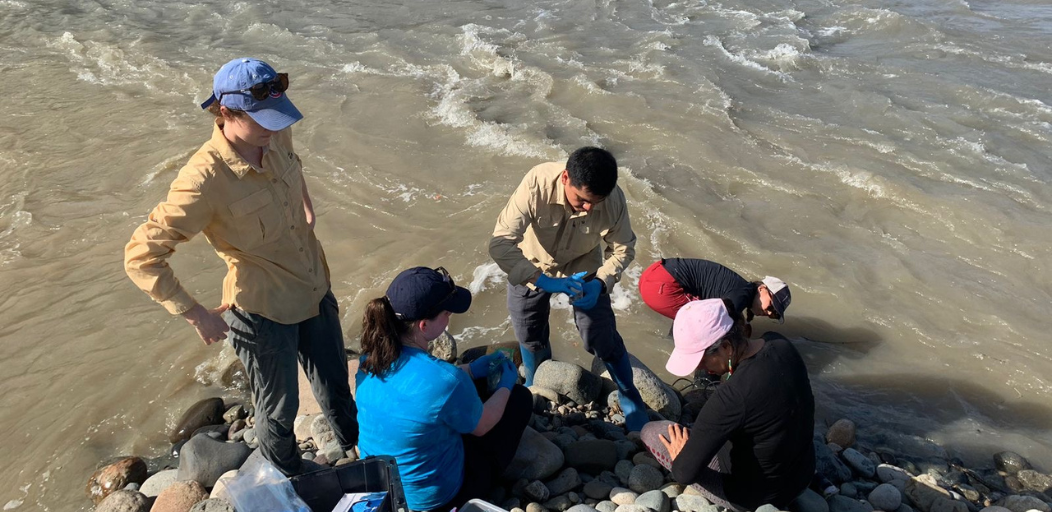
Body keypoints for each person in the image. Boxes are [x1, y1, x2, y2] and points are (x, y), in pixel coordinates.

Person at [124, 58, 357, 475]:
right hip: (263, 312)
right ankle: (286, 478)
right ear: (226, 112)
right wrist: (194, 313)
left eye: (278, 115)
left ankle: (357, 450)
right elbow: (142, 256)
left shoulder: (275, 130)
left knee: (336, 385)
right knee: (279, 411)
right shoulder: (202, 181)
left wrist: (306, 207)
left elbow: (293, 164)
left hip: (314, 285)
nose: (275, 128)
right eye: (263, 120)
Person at [489, 146, 648, 431]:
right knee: (528, 330)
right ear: (565, 178)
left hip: (583, 265)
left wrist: (600, 282)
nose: (589, 208)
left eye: (595, 203)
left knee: (600, 334)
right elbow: (500, 243)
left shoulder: (612, 200)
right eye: (583, 200)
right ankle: (538, 383)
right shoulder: (537, 182)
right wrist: (542, 280)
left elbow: (623, 249)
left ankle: (629, 393)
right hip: (532, 263)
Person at [354, 267, 532, 512]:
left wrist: (469, 370)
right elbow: (483, 425)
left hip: (383, 488)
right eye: (446, 313)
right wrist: (505, 386)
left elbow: (416, 391)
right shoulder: (446, 379)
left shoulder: (368, 360)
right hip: (436, 499)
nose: (450, 319)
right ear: (424, 326)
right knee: (520, 400)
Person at [640, 299, 815, 510]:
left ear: (726, 347)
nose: (700, 367)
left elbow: (684, 473)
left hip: (759, 496)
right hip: (803, 472)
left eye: (701, 360)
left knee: (650, 431)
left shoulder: (731, 397)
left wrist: (680, 454)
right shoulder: (779, 342)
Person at [639, 258, 791, 328]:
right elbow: (716, 329)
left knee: (692, 318)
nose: (770, 313)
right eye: (771, 306)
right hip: (664, 286)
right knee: (705, 329)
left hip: (653, 274)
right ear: (762, 289)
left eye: (775, 314)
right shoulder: (742, 295)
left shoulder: (739, 288)